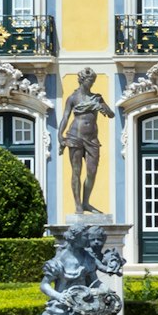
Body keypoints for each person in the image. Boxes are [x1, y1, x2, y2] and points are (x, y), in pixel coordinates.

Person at [59, 68, 113, 216]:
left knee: (92, 172)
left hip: (92, 139)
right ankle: (78, 205)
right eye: (90, 80)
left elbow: (111, 114)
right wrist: (60, 136)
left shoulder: (97, 97)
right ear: (82, 80)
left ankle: (86, 202)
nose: (92, 83)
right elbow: (65, 117)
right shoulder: (73, 98)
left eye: (93, 81)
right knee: (76, 171)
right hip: (75, 135)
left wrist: (101, 106)